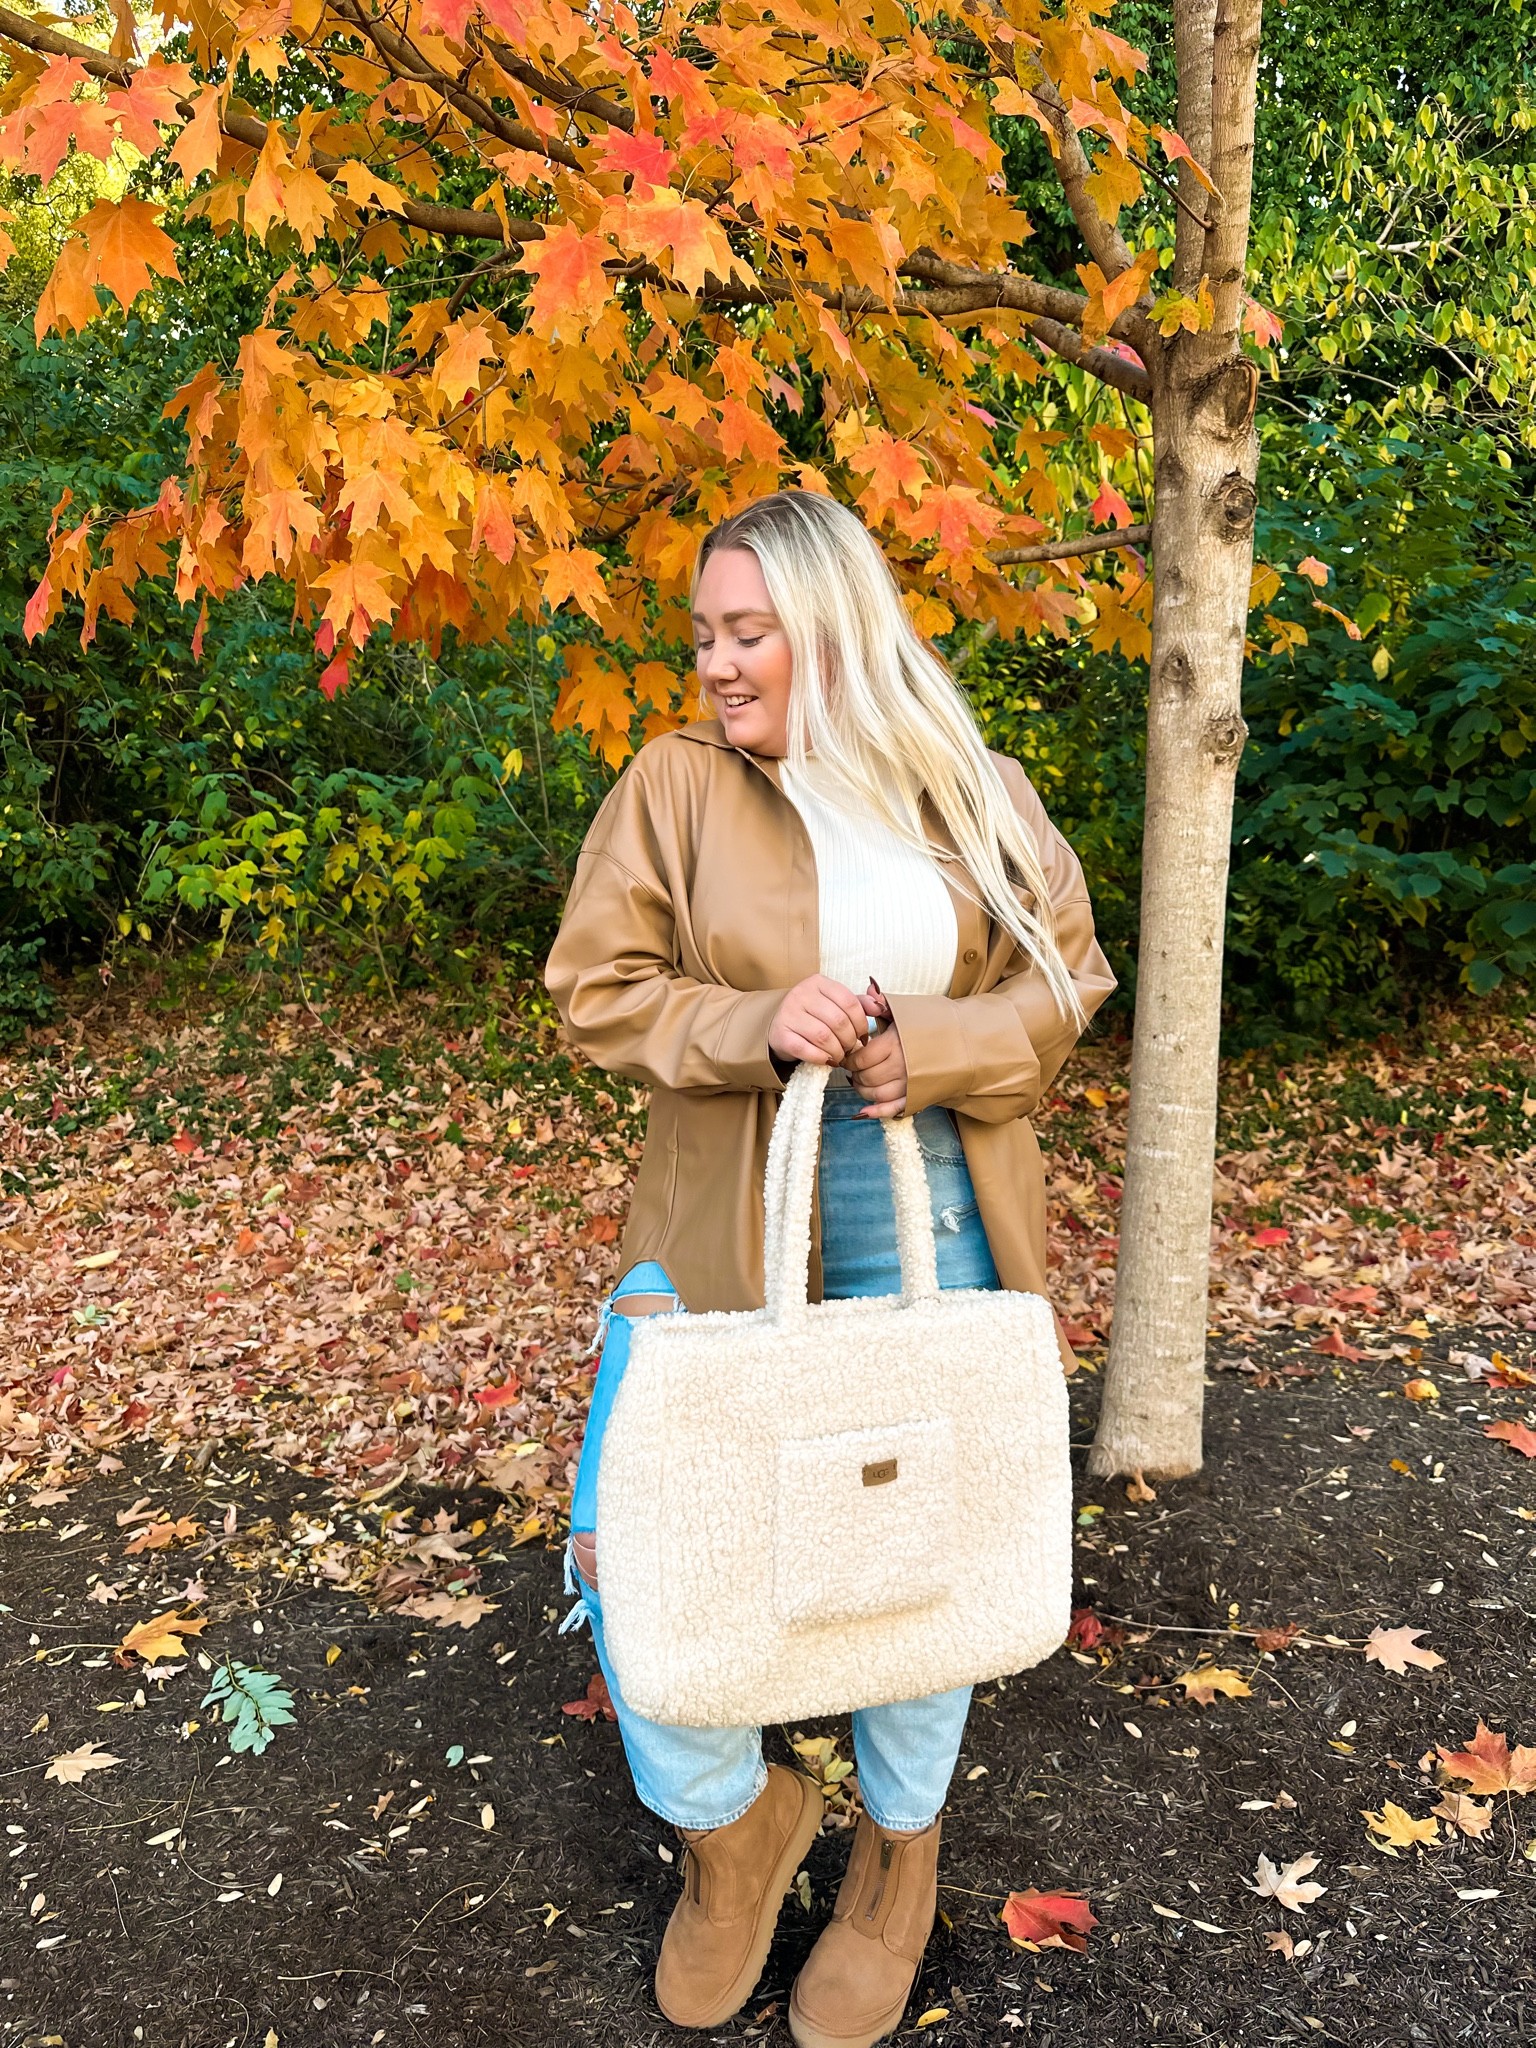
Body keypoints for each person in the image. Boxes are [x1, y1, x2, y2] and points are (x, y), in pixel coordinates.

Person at [544, 490, 1116, 2048]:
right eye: (704, 637)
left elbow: (1068, 978)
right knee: (632, 1551)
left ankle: (898, 1857)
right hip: (718, 1214)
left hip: (929, 1203)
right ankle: (739, 1830)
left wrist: (939, 1046)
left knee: (909, 1545)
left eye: (748, 632)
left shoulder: (971, 790)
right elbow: (594, 988)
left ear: (831, 623)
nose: (718, 666)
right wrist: (752, 1023)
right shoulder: (673, 789)